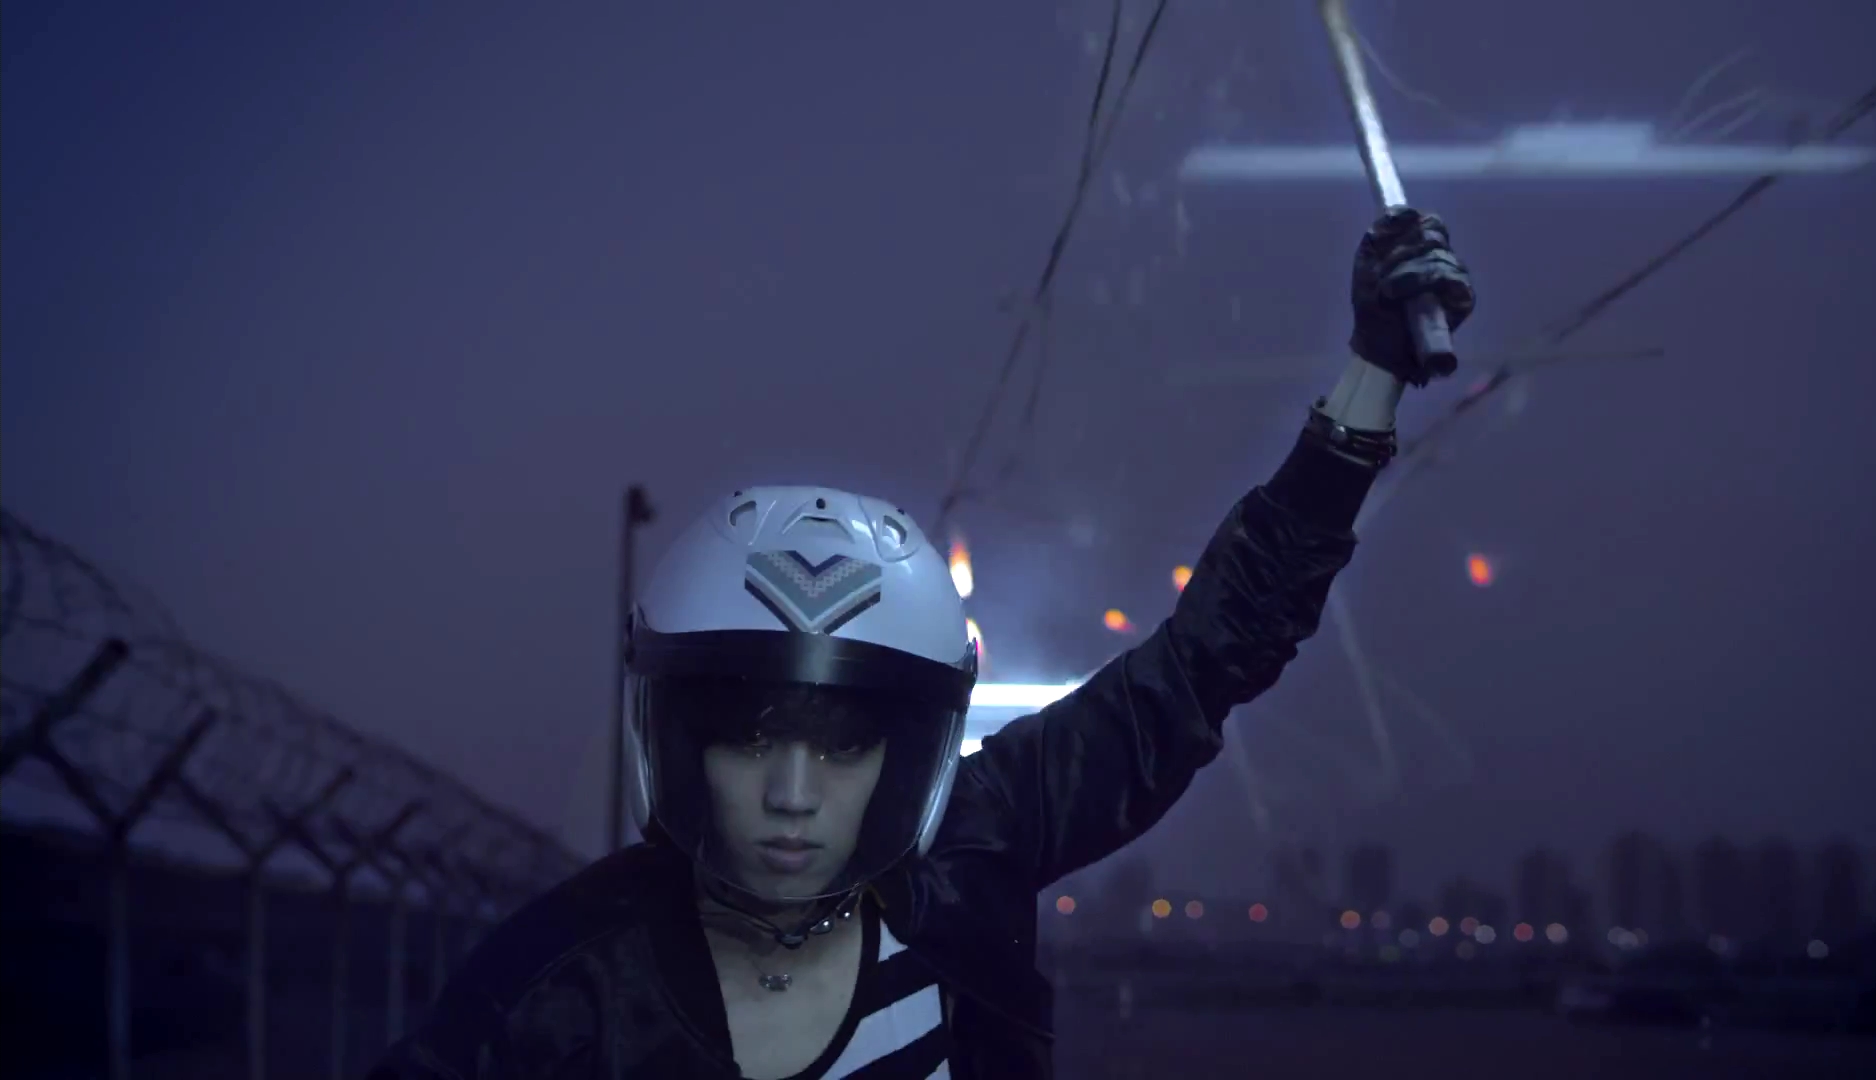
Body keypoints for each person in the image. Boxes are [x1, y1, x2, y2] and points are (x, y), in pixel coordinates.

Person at [368, 206, 1476, 1079]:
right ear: (681, 739)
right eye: (751, 740)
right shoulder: (549, 993)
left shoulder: (968, 855)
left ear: (905, 756)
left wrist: (1371, 376)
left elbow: (1209, 654)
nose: (793, 796)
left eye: (842, 746)